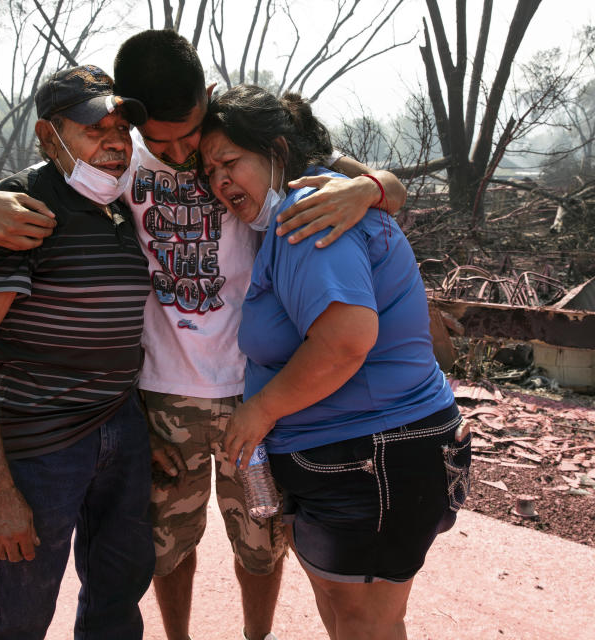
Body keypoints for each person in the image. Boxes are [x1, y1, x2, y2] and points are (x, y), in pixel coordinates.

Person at [0, 30, 409, 640]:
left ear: (210, 99)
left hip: (254, 391)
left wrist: (370, 188)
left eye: (187, 137)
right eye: (156, 139)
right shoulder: (118, 163)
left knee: (262, 543)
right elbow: (41, 182)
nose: (174, 153)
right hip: (161, 397)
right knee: (166, 547)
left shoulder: (237, 143)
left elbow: (373, 183)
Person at [200, 84, 471, 640]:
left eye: (230, 162)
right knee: (362, 620)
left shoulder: (306, 216)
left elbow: (346, 341)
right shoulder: (305, 211)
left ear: (277, 150)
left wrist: (262, 410)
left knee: (362, 624)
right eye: (210, 172)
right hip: (362, 455)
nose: (220, 181)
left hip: (371, 453)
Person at [0, 65, 155, 640]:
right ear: (48, 136)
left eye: (122, 127)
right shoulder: (18, 211)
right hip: (42, 443)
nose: (115, 142)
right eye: (94, 129)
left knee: (118, 594)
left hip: (122, 424)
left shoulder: (123, 201)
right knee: (18, 608)